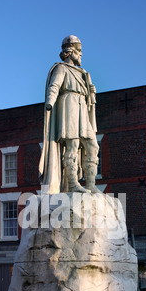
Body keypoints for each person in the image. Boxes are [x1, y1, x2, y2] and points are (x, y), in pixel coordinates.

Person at [39, 35, 100, 194]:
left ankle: (91, 184)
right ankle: (72, 184)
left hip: (82, 107)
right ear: (70, 51)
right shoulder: (61, 68)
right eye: (79, 50)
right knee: (72, 145)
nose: (81, 54)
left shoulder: (83, 73)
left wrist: (90, 93)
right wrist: (50, 101)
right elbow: (55, 86)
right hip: (69, 105)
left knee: (92, 145)